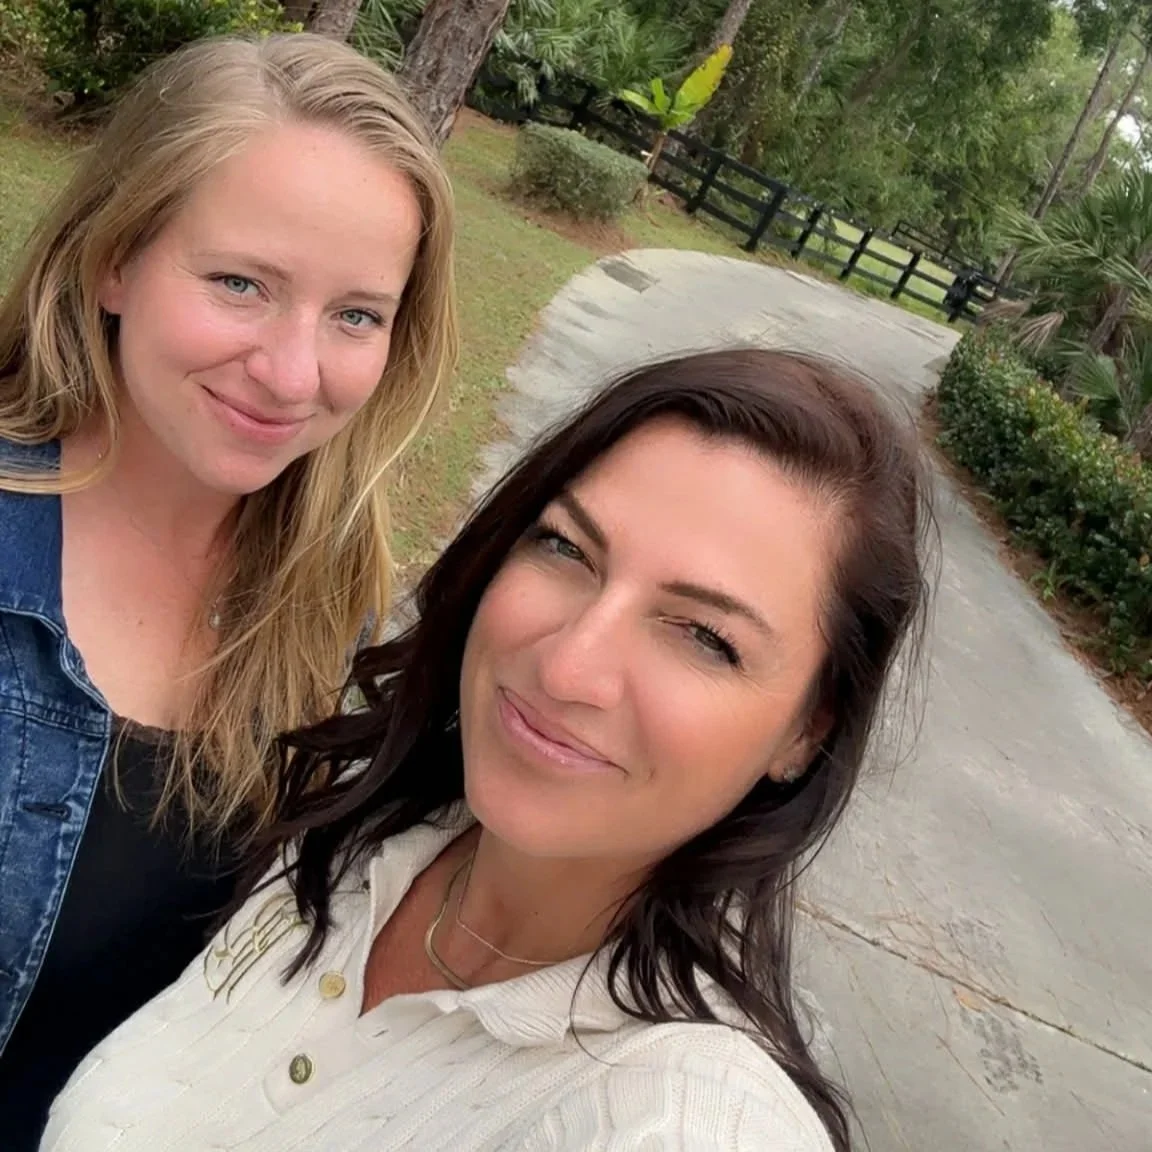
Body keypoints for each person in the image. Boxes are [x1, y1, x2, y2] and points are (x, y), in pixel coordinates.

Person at [42, 349, 931, 1152]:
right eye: (565, 548)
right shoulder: (365, 826)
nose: (569, 665)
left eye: (704, 636)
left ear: (807, 731)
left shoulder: (682, 1114)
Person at [0, 33, 457, 1144]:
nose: (294, 375)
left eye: (356, 314)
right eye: (241, 284)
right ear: (114, 259)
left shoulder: (328, 604)